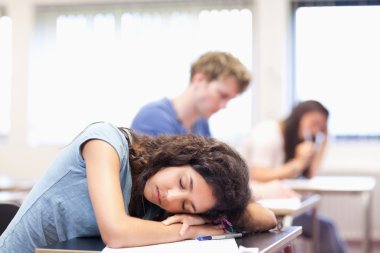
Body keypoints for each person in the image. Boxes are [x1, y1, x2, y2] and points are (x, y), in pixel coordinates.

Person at [0, 122, 277, 252]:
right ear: (182, 155)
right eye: (182, 182)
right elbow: (116, 233)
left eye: (186, 206)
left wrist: (209, 215)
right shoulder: (105, 144)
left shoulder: (157, 204)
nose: (170, 197)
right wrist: (193, 231)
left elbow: (267, 218)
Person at [239, 100, 348, 253]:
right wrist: (297, 163)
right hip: (260, 206)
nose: (316, 129)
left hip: (280, 207)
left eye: (321, 127)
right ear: (300, 116)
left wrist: (322, 142)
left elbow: (311, 174)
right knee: (325, 228)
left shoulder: (296, 140)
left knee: (326, 226)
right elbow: (258, 174)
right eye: (315, 123)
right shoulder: (268, 133)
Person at [131, 51, 251, 136]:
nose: (224, 106)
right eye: (222, 95)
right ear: (199, 80)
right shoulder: (153, 118)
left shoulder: (201, 124)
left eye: (229, 99)